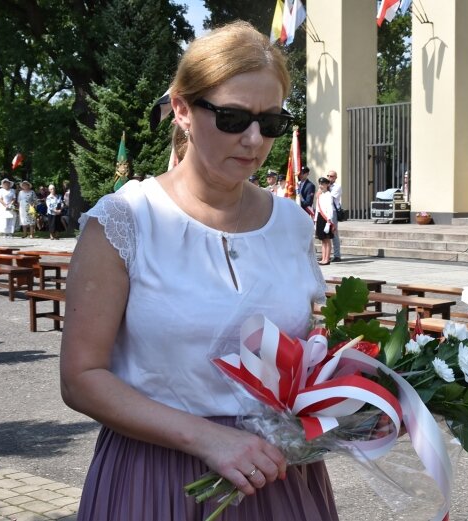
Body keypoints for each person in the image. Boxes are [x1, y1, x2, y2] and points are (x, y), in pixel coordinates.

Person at [60, 21, 334, 521]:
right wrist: (208, 438)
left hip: (276, 475)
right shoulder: (124, 221)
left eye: (270, 122)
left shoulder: (293, 224)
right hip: (161, 475)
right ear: (183, 109)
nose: (254, 140)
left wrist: (359, 397)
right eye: (232, 117)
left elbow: (300, 351)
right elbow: (81, 377)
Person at [315, 176, 335, 265]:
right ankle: (323, 258)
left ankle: (327, 259)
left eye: (323, 184)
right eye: (320, 184)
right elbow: (317, 209)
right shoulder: (320, 195)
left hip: (326, 218)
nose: (321, 186)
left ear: (327, 185)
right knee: (322, 239)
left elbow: (330, 208)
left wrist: (329, 221)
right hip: (320, 217)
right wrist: (315, 220)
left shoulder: (328, 195)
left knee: (327, 239)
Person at [327, 170, 342, 261]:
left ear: (335, 177)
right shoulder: (325, 186)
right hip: (325, 211)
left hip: (333, 211)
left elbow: (330, 197)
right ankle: (326, 254)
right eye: (328, 175)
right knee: (325, 234)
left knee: (334, 233)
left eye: (331, 176)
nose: (329, 177)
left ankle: (337, 255)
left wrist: (326, 188)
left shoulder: (337, 187)